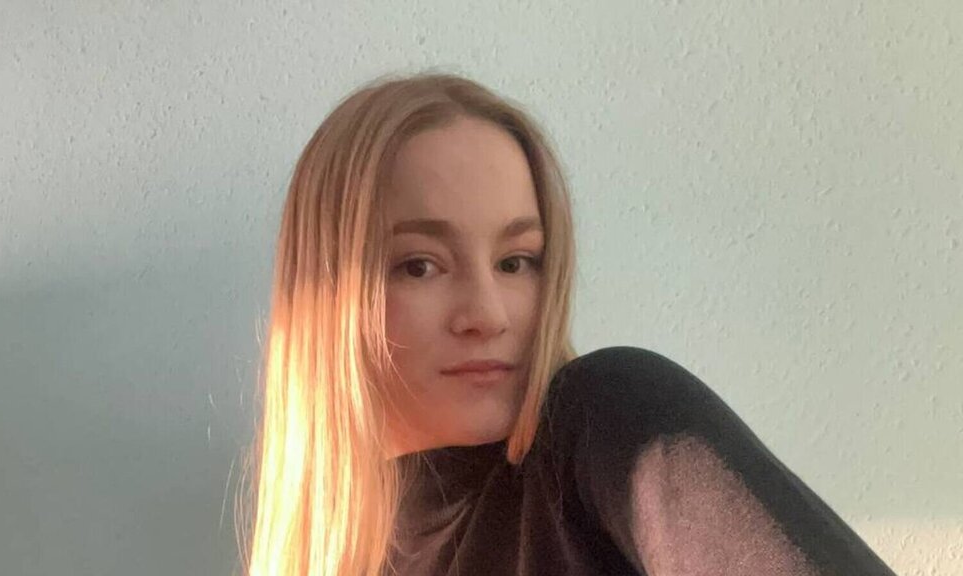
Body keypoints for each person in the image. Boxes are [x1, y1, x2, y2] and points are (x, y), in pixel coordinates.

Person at [240, 71, 897, 576]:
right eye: (420, 265)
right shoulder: (338, 557)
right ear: (322, 293)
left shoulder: (613, 420)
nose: (487, 315)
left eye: (516, 261)